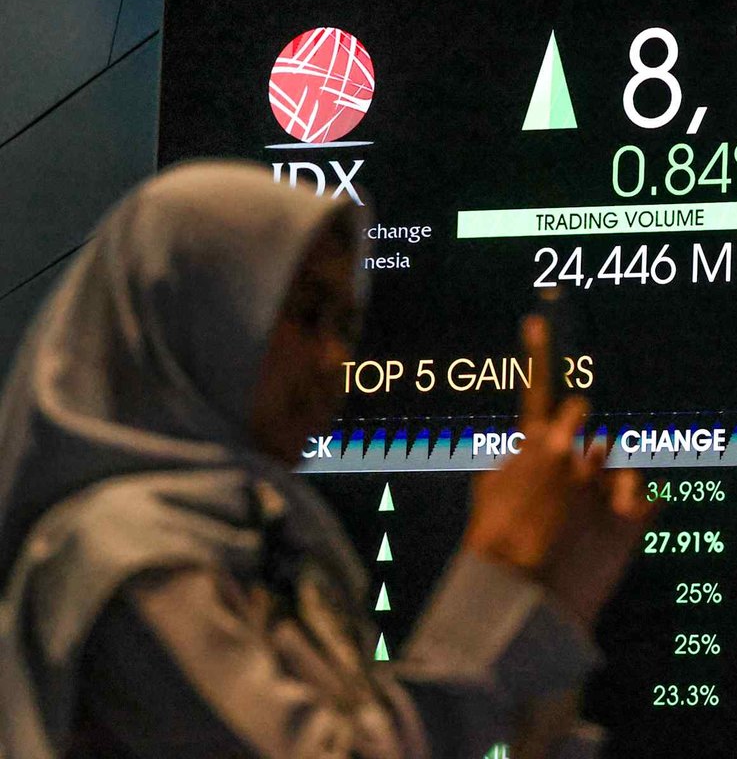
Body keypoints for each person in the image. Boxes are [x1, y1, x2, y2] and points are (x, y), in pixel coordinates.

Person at [0, 161, 655, 758]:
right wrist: (500, 565)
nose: (334, 360)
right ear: (183, 308)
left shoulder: (278, 549)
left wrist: (559, 603)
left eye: (345, 325)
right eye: (306, 314)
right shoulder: (127, 560)